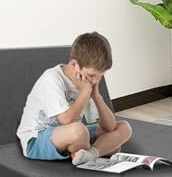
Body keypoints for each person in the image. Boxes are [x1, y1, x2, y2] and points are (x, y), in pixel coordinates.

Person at [17, 32, 132, 165]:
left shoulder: (87, 83)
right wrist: (85, 92)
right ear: (73, 65)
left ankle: (90, 154)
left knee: (124, 127)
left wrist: (96, 95)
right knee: (79, 131)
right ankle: (101, 149)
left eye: (100, 75)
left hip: (72, 135)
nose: (94, 81)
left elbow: (110, 126)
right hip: (37, 138)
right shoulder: (52, 78)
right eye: (91, 75)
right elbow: (66, 120)